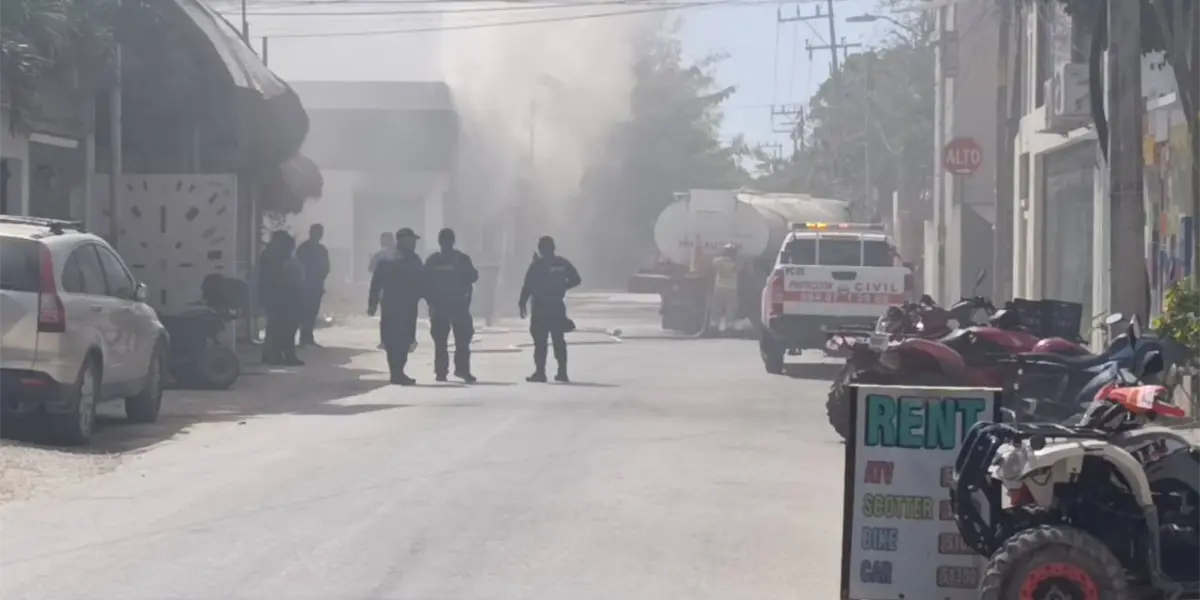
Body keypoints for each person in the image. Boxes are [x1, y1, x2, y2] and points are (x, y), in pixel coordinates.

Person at [519, 235, 581, 382]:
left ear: (540, 249)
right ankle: (562, 371)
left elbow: (527, 286)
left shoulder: (536, 266)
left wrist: (522, 303)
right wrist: (562, 287)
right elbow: (576, 279)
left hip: (540, 307)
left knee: (540, 341)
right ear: (553, 248)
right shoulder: (562, 263)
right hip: (556, 306)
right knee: (558, 340)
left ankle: (540, 372)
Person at [368, 228, 425, 385]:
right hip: (396, 306)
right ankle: (396, 372)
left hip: (402, 306)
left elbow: (423, 281)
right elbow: (376, 282)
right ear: (402, 240)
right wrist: (372, 303)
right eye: (411, 240)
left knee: (402, 340)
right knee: (395, 340)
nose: (414, 243)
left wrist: (428, 299)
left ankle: (397, 371)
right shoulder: (389, 259)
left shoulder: (412, 259)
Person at [424, 228, 479, 383]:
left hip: (449, 306)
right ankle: (458, 370)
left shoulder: (434, 260)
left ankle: (444, 371)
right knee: (456, 341)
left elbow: (424, 282)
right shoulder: (460, 259)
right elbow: (473, 276)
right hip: (455, 305)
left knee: (447, 341)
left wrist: (430, 301)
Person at [259, 231, 305, 366]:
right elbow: (278, 277)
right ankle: (283, 355)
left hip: (275, 295)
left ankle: (272, 354)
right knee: (285, 327)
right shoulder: (274, 256)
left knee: (275, 326)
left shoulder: (269, 254)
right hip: (280, 295)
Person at [295, 223, 330, 347]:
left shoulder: (321, 250)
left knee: (312, 311)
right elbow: (298, 266)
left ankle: (308, 336)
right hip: (305, 285)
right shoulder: (304, 248)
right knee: (304, 311)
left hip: (316, 285)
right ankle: (304, 337)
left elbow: (326, 267)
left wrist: (320, 279)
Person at [368, 231, 397, 350]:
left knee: (386, 317)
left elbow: (371, 268)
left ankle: (385, 340)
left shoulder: (380, 255)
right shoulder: (400, 254)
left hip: (385, 290)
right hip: (397, 291)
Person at [711, 243, 741, 334]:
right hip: (731, 288)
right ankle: (729, 327)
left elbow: (713, 262)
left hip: (719, 287)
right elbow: (740, 267)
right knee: (730, 309)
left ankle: (714, 325)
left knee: (716, 307)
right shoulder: (735, 263)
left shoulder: (718, 261)